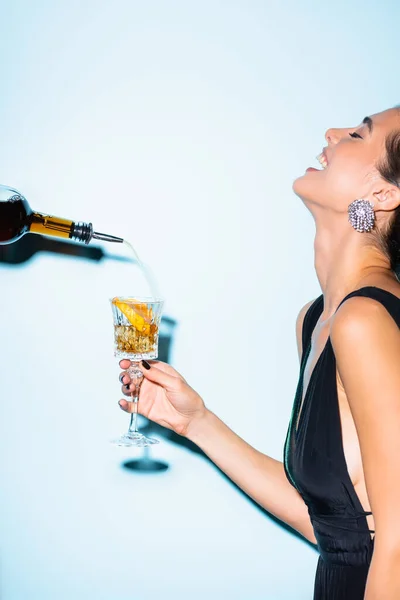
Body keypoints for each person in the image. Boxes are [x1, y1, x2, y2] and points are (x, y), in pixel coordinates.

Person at [119, 107, 400, 599]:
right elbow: (336, 532)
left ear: (382, 195)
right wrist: (195, 422)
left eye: (358, 134)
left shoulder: (364, 321)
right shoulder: (316, 319)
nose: (331, 133)